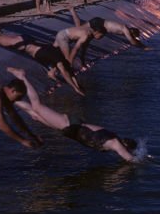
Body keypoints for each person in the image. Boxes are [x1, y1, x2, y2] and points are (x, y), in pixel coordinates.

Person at [7, 69, 139, 162]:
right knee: (37, 106)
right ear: (125, 145)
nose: (124, 151)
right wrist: (140, 160)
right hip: (70, 124)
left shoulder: (113, 142)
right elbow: (129, 159)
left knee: (35, 115)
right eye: (126, 149)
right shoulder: (115, 143)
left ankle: (8, 99)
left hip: (69, 130)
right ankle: (22, 76)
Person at [0, 15, 84, 94]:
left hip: (27, 40)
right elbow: (66, 72)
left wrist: (73, 84)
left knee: (0, 34)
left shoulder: (56, 57)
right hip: (24, 44)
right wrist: (75, 89)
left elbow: (59, 73)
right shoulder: (58, 61)